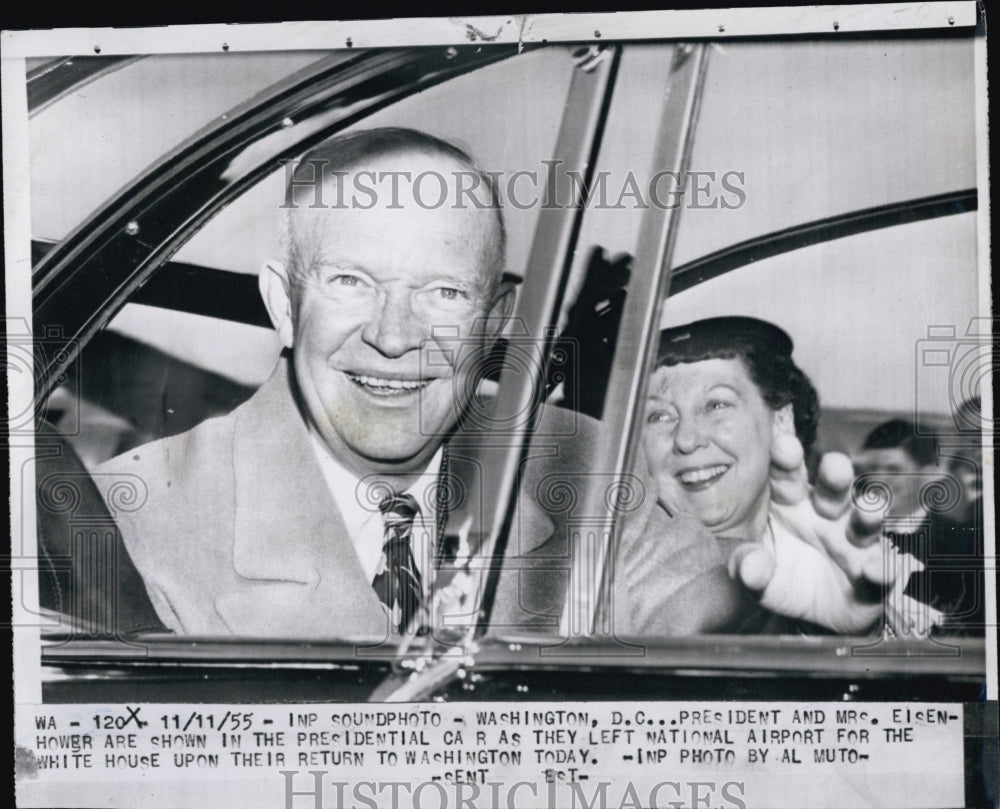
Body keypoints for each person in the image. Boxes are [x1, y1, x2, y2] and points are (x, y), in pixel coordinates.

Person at [95, 128, 893, 640]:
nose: (396, 334)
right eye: (350, 281)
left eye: (444, 293)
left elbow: (692, 634)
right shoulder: (136, 513)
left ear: (494, 318)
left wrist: (790, 623)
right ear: (282, 302)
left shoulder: (579, 464)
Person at [615, 316, 896, 635]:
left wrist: (856, 633)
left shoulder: (875, 562)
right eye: (658, 416)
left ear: (780, 422)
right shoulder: (609, 578)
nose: (687, 440)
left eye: (716, 405)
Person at [853, 411, 984, 635]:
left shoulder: (964, 545)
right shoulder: (847, 533)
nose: (877, 480)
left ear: (928, 475)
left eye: (893, 470)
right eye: (871, 469)